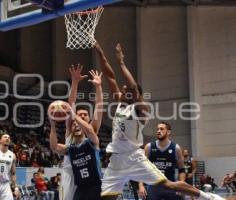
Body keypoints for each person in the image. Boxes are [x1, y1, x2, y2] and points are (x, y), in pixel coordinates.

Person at [94, 42, 225, 200]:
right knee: (106, 198)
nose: (122, 89)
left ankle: (206, 197)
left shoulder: (141, 110)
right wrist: (100, 51)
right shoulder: (120, 104)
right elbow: (110, 76)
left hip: (134, 157)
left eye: (125, 89)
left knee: (168, 185)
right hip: (116, 159)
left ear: (133, 95)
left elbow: (134, 86)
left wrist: (121, 63)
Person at [50, 70, 103, 200]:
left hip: (90, 180)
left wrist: (98, 87)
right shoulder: (71, 129)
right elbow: (70, 104)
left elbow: (99, 107)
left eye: (85, 115)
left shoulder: (91, 132)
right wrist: (74, 82)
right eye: (80, 114)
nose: (83, 116)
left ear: (89, 119)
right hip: (70, 174)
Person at [138, 122, 186, 200]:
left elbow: (182, 169)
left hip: (171, 185)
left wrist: (181, 185)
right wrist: (141, 186)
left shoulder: (176, 148)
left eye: (162, 129)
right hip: (154, 186)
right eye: (157, 129)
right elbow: (142, 168)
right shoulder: (149, 147)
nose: (158, 131)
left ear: (168, 132)